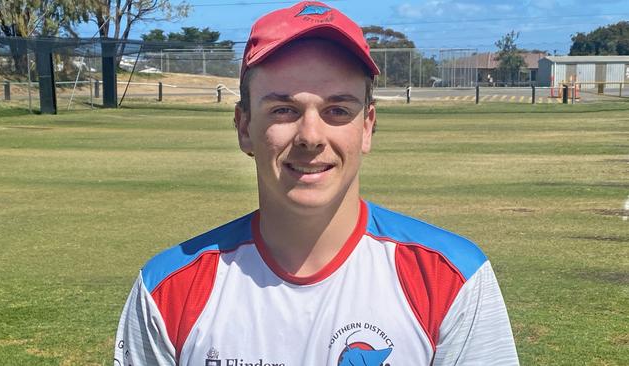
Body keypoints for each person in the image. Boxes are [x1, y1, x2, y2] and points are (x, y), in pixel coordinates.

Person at [114, 2, 519, 365]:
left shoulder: (449, 279)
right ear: (244, 127)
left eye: (338, 109)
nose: (311, 136)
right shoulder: (167, 290)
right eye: (284, 109)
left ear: (367, 127)